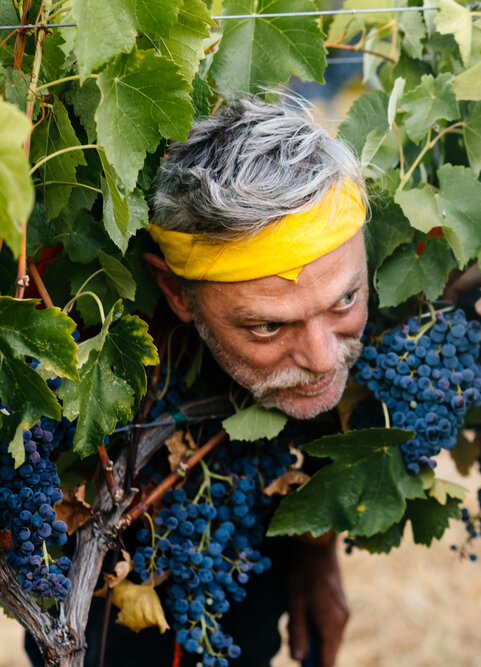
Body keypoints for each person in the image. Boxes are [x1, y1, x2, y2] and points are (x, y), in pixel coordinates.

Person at [27, 99, 363, 667]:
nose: (323, 358)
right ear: (178, 294)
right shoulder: (61, 329)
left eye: (345, 301)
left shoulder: (394, 297)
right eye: (267, 325)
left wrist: (315, 553)